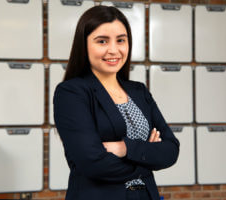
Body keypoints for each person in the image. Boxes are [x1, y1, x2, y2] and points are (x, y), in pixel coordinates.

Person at [53, 5, 180, 200]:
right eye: (102, 41)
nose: (114, 50)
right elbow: (92, 163)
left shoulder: (139, 91)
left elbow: (171, 149)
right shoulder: (72, 93)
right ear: (84, 45)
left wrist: (125, 148)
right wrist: (146, 158)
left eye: (121, 40)